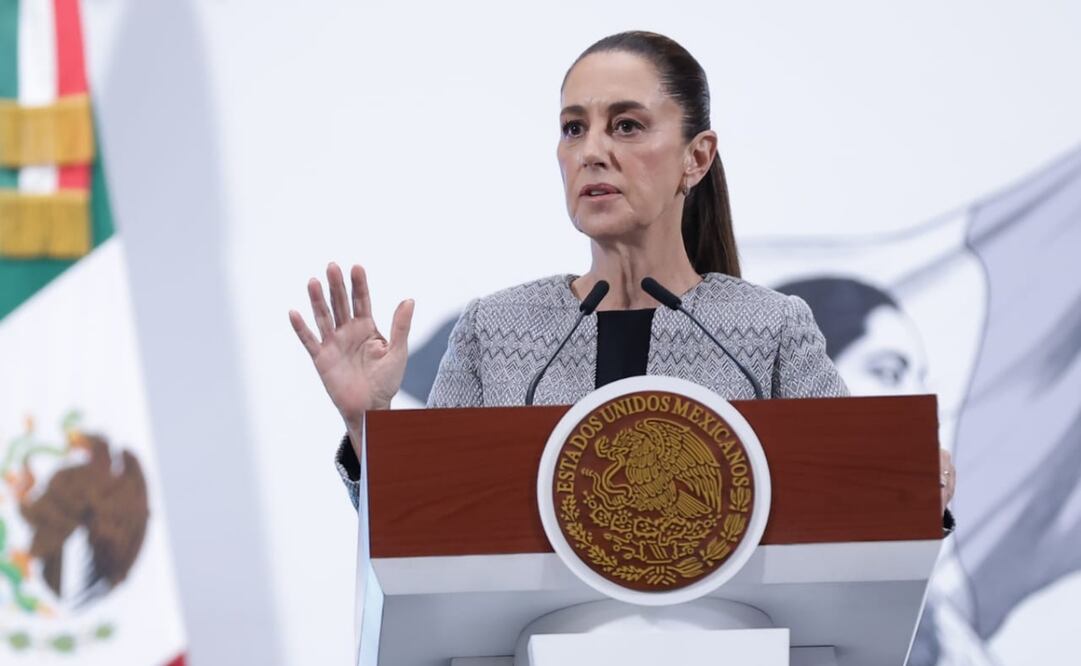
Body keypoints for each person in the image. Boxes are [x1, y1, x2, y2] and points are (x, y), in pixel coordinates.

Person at [287, 31, 956, 513]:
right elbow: (426, 519)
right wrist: (367, 427)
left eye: (627, 126)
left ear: (695, 158)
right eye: (574, 128)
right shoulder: (496, 330)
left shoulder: (768, 331)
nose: (592, 152)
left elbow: (857, 501)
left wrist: (913, 483)